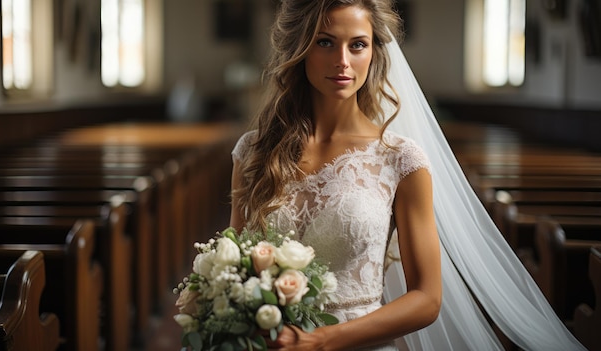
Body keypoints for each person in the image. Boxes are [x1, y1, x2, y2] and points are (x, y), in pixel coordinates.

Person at [229, 0, 586, 350]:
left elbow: (427, 298)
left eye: (357, 45)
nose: (342, 61)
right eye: (325, 42)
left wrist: (321, 340)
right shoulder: (254, 153)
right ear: (300, 48)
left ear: (374, 52)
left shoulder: (400, 159)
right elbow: (237, 266)